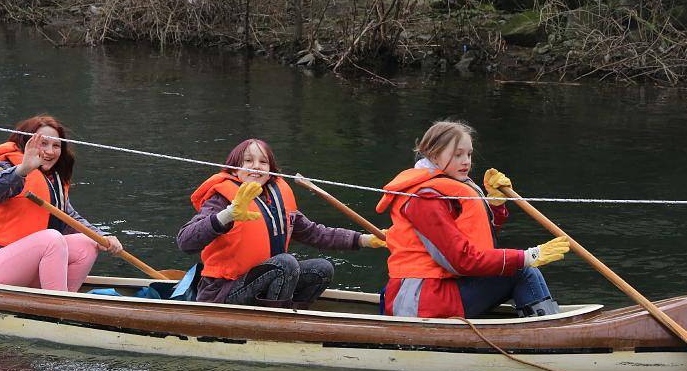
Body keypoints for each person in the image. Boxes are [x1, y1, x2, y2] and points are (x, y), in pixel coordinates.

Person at [376, 120, 570, 319]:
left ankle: (542, 323)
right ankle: (545, 328)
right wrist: (528, 256)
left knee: (522, 270)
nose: (466, 161)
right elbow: (462, 260)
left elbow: (476, 239)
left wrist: (495, 206)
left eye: (469, 154)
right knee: (523, 271)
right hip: (422, 298)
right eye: (458, 154)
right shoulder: (424, 199)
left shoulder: (442, 188)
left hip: (441, 286)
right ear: (434, 156)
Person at [177, 138, 386, 308]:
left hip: (264, 283)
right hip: (223, 292)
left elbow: (315, 233)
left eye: (263, 162)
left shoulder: (275, 200)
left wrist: (364, 240)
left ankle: (290, 318)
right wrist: (229, 214)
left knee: (322, 269)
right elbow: (185, 241)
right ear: (234, 169)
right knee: (286, 263)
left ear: (271, 170)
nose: (256, 166)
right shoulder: (221, 200)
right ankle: (275, 323)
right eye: (248, 161)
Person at [0, 115, 122, 292]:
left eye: (56, 146)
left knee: (87, 243)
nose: (50, 151)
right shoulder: (3, 165)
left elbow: (69, 218)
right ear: (27, 143)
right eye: (43, 143)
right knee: (51, 239)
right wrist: (22, 170)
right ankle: (59, 303)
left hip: (24, 267)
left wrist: (102, 238)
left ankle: (67, 298)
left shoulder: (52, 180)